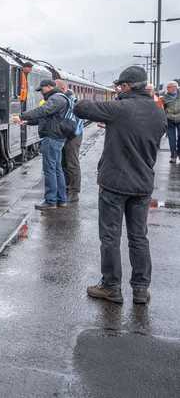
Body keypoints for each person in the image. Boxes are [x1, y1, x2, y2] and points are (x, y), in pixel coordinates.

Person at [74, 66, 166, 304]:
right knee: (139, 237)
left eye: (119, 87)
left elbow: (81, 108)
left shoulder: (119, 109)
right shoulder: (158, 113)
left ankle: (111, 286)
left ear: (126, 86)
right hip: (143, 184)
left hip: (114, 184)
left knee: (110, 237)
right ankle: (140, 290)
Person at [14, 79, 69, 210]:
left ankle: (50, 201)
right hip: (56, 137)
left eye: (42, 89)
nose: (41, 92)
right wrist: (27, 122)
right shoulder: (58, 98)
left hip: (52, 138)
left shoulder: (56, 99)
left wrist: (22, 116)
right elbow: (46, 119)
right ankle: (61, 200)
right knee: (57, 169)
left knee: (50, 170)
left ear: (49, 87)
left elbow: (42, 111)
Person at [55, 79, 82, 202]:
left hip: (73, 135)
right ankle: (66, 187)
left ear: (62, 89)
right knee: (63, 162)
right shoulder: (63, 99)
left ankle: (74, 191)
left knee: (72, 163)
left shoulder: (70, 101)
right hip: (65, 134)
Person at [161, 80, 180, 163]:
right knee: (171, 139)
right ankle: (173, 156)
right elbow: (162, 109)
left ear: (175, 87)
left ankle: (179, 153)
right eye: (167, 87)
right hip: (169, 120)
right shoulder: (164, 98)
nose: (167, 89)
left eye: (169, 87)